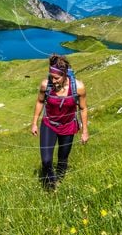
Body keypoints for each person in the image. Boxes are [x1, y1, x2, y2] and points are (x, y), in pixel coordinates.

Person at [31, 54, 89, 189]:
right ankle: (51, 188)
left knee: (62, 159)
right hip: (49, 124)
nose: (53, 80)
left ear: (65, 75)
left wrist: (85, 131)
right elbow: (40, 101)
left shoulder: (78, 87)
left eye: (56, 78)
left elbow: (83, 108)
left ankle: (60, 182)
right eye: (51, 76)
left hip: (68, 126)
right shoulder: (46, 85)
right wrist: (34, 123)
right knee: (46, 160)